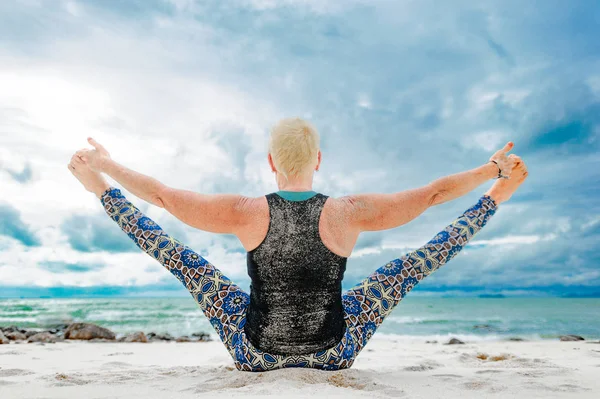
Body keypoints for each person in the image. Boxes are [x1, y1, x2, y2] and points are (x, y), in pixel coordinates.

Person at [68, 117, 528, 372]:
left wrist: (107, 168)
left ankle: (99, 193)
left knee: (183, 260)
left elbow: (162, 196)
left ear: (271, 161)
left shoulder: (244, 210)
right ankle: (495, 202)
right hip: (335, 352)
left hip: (254, 353)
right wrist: (491, 172)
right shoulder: (349, 211)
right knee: (409, 266)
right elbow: (433, 194)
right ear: (319, 160)